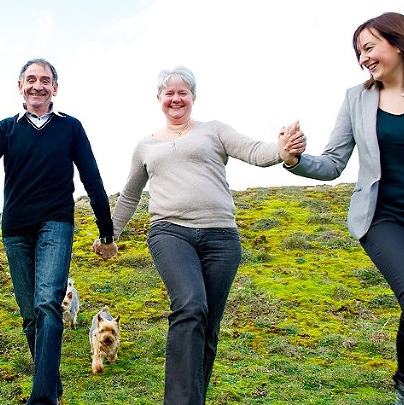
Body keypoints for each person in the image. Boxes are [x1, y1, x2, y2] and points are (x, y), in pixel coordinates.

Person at [279, 12, 404, 405]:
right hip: (386, 219)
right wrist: (293, 159)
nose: (363, 58)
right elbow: (333, 163)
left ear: (399, 43)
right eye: (358, 52)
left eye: (369, 47)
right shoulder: (357, 99)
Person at [100, 66, 298, 405]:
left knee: (207, 327)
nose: (176, 98)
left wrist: (281, 150)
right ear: (159, 98)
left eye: (183, 92)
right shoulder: (146, 146)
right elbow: (130, 195)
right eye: (169, 93)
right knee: (191, 306)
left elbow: (254, 151)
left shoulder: (214, 131)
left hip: (221, 238)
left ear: (193, 97)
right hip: (169, 232)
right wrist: (109, 235)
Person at [0, 58, 116, 405]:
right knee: (30, 314)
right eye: (30, 79)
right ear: (20, 87)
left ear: (54, 89)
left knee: (48, 303)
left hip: (56, 224)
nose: (37, 85)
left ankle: (43, 398)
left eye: (45, 80)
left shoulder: (71, 128)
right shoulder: (5, 128)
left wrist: (106, 235)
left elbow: (92, 179)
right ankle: (52, 385)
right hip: (16, 228)